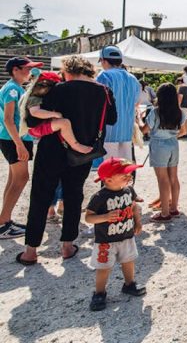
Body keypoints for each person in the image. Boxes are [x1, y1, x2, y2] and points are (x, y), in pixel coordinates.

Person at [17, 55, 117, 265]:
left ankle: (31, 251)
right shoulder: (104, 92)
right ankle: (67, 245)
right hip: (84, 151)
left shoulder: (57, 88)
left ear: (67, 71)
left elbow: (33, 117)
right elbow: (111, 119)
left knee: (40, 196)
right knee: (74, 195)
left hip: (52, 148)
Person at [84, 157, 145, 311]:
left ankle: (129, 284)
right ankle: (99, 293)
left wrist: (138, 222)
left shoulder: (128, 191)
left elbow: (134, 207)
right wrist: (104, 217)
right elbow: (88, 217)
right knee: (104, 267)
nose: (129, 177)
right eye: (124, 175)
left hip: (126, 236)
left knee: (129, 261)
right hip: (105, 240)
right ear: (109, 180)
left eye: (129, 174)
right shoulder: (99, 197)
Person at [0, 57, 42, 239]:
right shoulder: (12, 89)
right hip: (14, 138)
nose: (30, 72)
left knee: (14, 179)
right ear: (15, 70)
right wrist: (19, 144)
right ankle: (3, 223)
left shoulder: (14, 87)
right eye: (27, 69)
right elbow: (9, 119)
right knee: (21, 178)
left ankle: (5, 219)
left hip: (13, 137)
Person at [20, 70, 93, 153]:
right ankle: (75, 145)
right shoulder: (34, 98)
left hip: (39, 125)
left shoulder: (36, 96)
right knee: (64, 123)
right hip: (37, 128)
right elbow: (35, 112)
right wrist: (54, 114)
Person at [144, 83, 187, 222]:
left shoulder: (155, 112)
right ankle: (174, 208)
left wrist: (138, 120)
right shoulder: (180, 112)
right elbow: (184, 131)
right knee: (174, 177)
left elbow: (144, 130)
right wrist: (172, 136)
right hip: (173, 144)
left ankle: (164, 213)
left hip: (158, 145)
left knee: (162, 179)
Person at [96, 46, 141, 161]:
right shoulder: (133, 78)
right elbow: (136, 102)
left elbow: (97, 101)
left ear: (104, 61)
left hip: (109, 131)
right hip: (126, 131)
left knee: (110, 172)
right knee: (124, 172)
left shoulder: (104, 76)